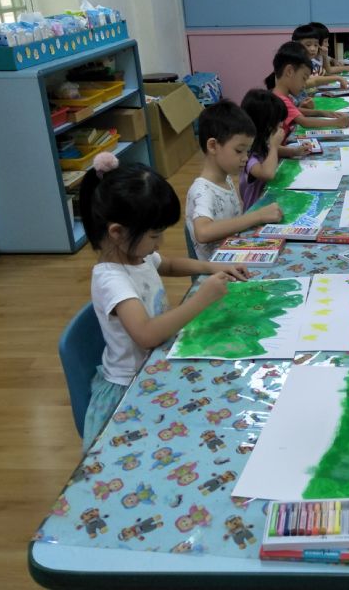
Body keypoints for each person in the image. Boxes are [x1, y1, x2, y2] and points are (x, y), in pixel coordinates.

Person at [77, 153, 249, 451]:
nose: (159, 244)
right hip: (129, 388)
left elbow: (168, 264)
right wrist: (201, 299)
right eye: (154, 236)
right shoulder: (111, 279)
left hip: (156, 363)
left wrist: (212, 267)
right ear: (117, 232)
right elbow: (146, 335)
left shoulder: (135, 255)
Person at [186, 100, 282, 260]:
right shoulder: (202, 191)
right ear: (213, 146)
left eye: (248, 151)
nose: (245, 158)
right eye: (239, 151)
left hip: (235, 253)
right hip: (218, 268)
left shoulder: (227, 179)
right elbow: (203, 232)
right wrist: (257, 216)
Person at [271, 41, 349, 143]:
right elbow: (304, 122)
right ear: (289, 72)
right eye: (303, 78)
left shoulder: (281, 95)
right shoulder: (280, 99)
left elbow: (295, 111)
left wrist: (323, 113)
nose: (304, 85)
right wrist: (337, 122)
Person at [238, 89, 286, 209]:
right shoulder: (248, 155)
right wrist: (274, 146)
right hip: (256, 209)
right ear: (265, 124)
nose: (281, 124)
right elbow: (267, 173)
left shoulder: (261, 142)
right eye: (278, 121)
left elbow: (267, 150)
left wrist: (295, 151)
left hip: (268, 200)